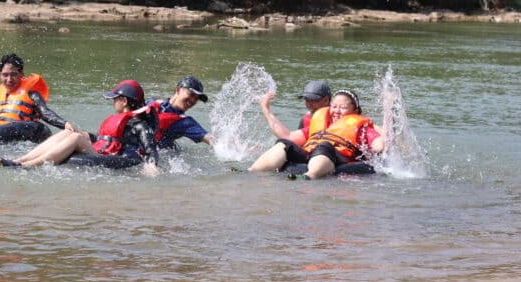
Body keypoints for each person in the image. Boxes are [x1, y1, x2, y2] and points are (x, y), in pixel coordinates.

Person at [0, 80, 160, 175]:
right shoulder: (121, 119)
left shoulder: (139, 124)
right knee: (69, 132)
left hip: (118, 159)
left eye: (115, 98)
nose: (113, 101)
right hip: (103, 152)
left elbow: (150, 148)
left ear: (124, 102)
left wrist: (151, 165)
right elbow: (107, 139)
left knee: (76, 138)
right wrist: (88, 135)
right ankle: (20, 159)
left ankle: (30, 166)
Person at [247, 89, 385, 179]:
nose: (337, 111)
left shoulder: (362, 128)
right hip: (310, 155)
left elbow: (378, 146)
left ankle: (309, 176)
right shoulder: (320, 126)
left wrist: (386, 123)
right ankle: (251, 171)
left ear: (355, 111)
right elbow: (287, 136)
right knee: (284, 144)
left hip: (336, 158)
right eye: (334, 107)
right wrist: (266, 110)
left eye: (343, 108)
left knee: (324, 146)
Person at [147, 76, 213, 150]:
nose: (193, 100)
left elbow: (211, 140)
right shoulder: (151, 103)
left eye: (196, 98)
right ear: (178, 90)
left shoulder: (186, 123)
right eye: (191, 94)